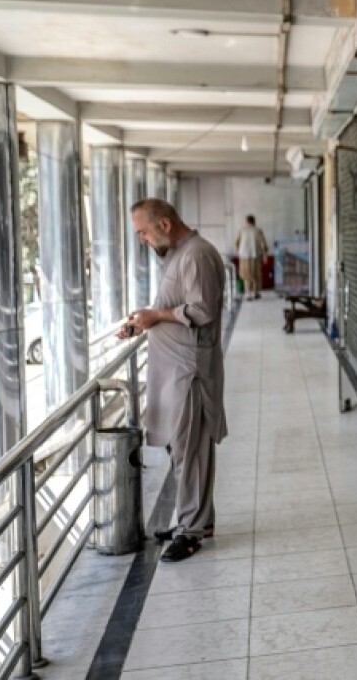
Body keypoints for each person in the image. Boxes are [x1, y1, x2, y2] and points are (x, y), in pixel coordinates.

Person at [120, 199, 227, 563]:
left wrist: (156, 315)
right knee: (182, 449)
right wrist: (144, 321)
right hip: (176, 370)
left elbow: (202, 310)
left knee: (191, 449)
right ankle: (197, 519)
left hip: (190, 371)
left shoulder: (196, 255)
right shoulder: (179, 255)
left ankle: (192, 531)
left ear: (164, 224)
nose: (144, 240)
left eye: (144, 232)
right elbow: (174, 308)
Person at [234, 214, 268, 300]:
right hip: (255, 256)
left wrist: (240, 250)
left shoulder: (242, 230)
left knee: (246, 275)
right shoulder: (258, 230)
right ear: (254, 221)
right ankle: (256, 293)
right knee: (256, 275)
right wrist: (265, 254)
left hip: (244, 257)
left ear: (246, 221)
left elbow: (236, 242)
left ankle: (248, 294)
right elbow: (263, 244)